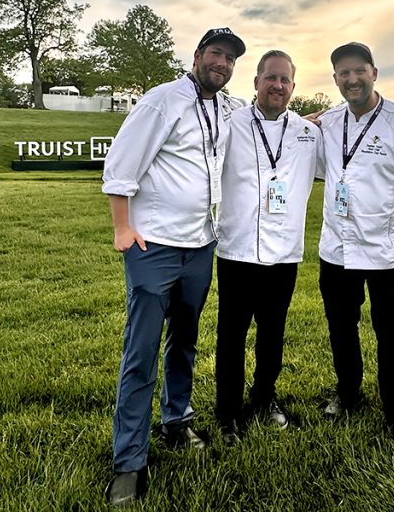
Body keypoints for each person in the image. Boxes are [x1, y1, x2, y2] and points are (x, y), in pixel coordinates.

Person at [100, 27, 247, 505]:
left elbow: (266, 118)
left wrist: (316, 118)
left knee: (184, 341)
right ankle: (129, 462)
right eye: (216, 54)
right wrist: (123, 229)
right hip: (153, 247)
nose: (222, 64)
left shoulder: (227, 108)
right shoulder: (162, 101)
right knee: (140, 353)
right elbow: (120, 166)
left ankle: (177, 420)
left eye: (230, 59)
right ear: (198, 55)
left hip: (200, 246)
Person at [317, 42, 394, 458]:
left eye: (358, 70)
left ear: (374, 72)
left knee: (391, 336)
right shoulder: (329, 123)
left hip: (389, 252)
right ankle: (348, 394)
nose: (352, 79)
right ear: (335, 79)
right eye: (343, 73)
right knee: (341, 327)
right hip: (336, 249)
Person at [214, 50, 323, 444]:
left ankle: (264, 398)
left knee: (272, 333)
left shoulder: (309, 133)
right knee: (231, 335)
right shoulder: (231, 123)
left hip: (284, 253)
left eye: (285, 80)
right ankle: (227, 413)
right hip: (237, 250)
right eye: (270, 78)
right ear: (256, 82)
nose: (278, 85)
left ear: (294, 87)